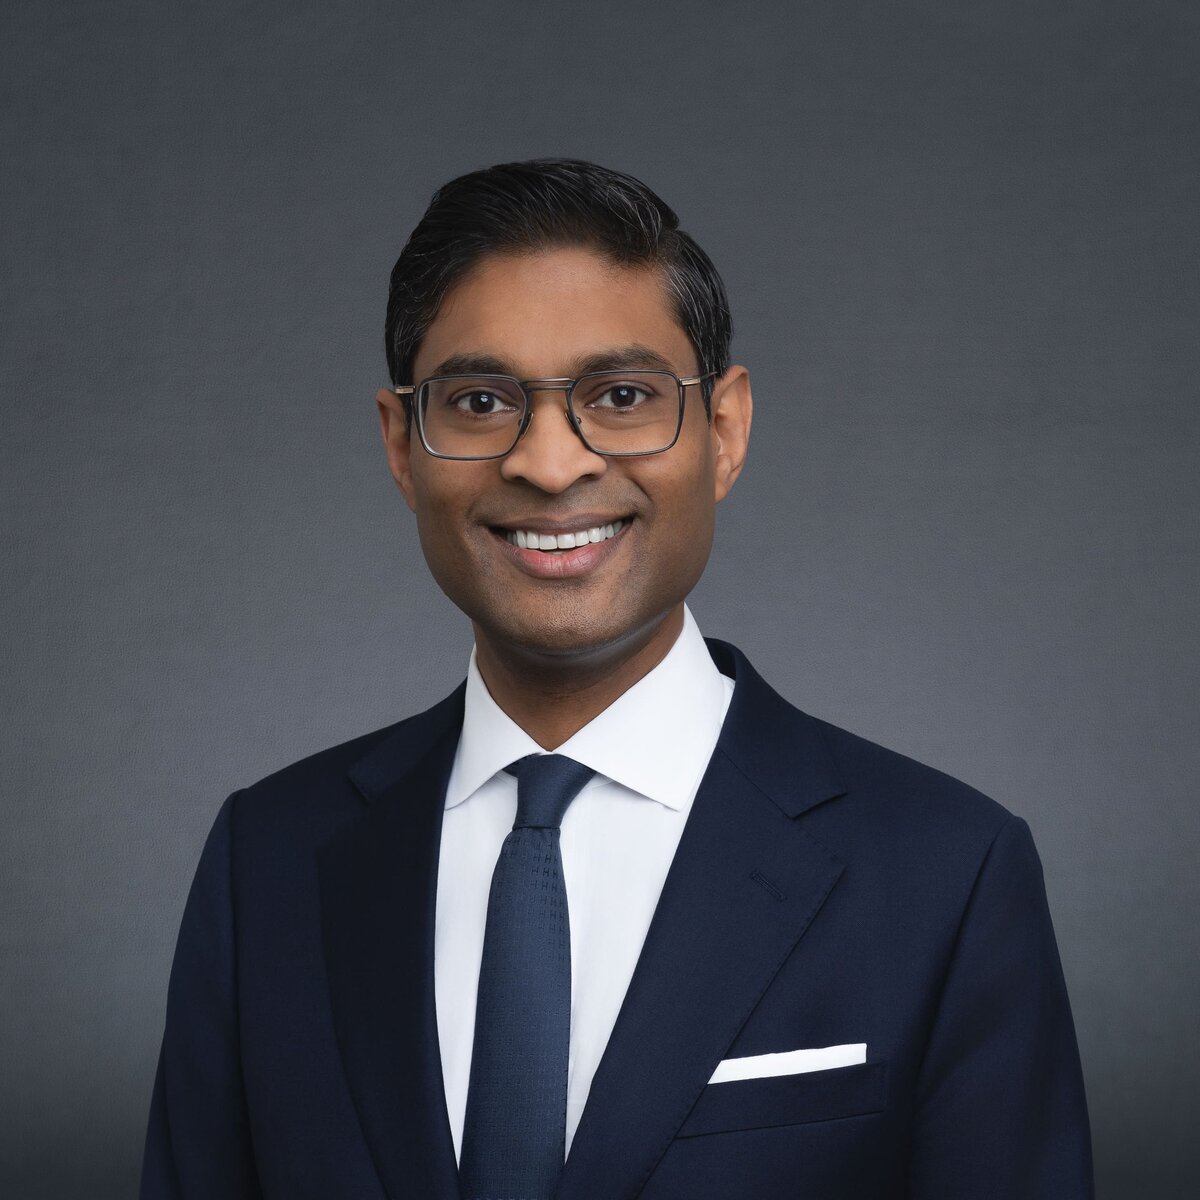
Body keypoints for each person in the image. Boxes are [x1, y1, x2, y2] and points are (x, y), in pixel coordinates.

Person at [140, 158, 1093, 1199]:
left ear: (722, 432)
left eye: (624, 395)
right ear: (402, 446)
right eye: (479, 399)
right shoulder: (265, 861)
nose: (550, 464)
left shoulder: (948, 872)